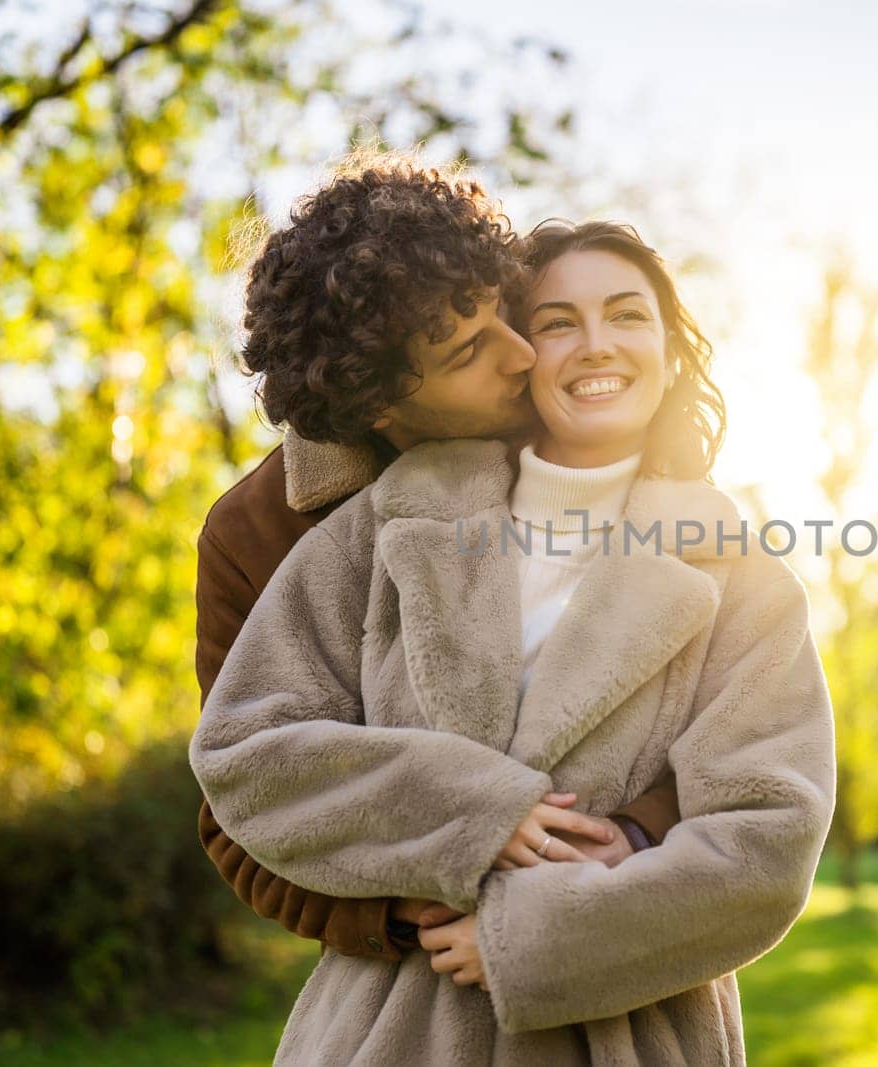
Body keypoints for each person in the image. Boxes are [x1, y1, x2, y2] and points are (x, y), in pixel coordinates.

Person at [189, 214, 836, 1064]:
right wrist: (465, 813)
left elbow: (769, 836)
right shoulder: (375, 525)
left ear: (675, 352)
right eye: (557, 322)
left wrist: (542, 929)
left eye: (630, 315)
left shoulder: (743, 577)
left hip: (632, 1032)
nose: (592, 345)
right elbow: (246, 754)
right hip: (394, 1028)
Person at [192, 152, 683, 965]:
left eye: (501, 311)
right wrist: (401, 909)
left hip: (613, 941)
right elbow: (237, 809)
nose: (521, 353)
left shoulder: (565, 423)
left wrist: (631, 839)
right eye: (465, 353)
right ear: (376, 403)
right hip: (418, 991)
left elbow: (711, 705)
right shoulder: (257, 534)